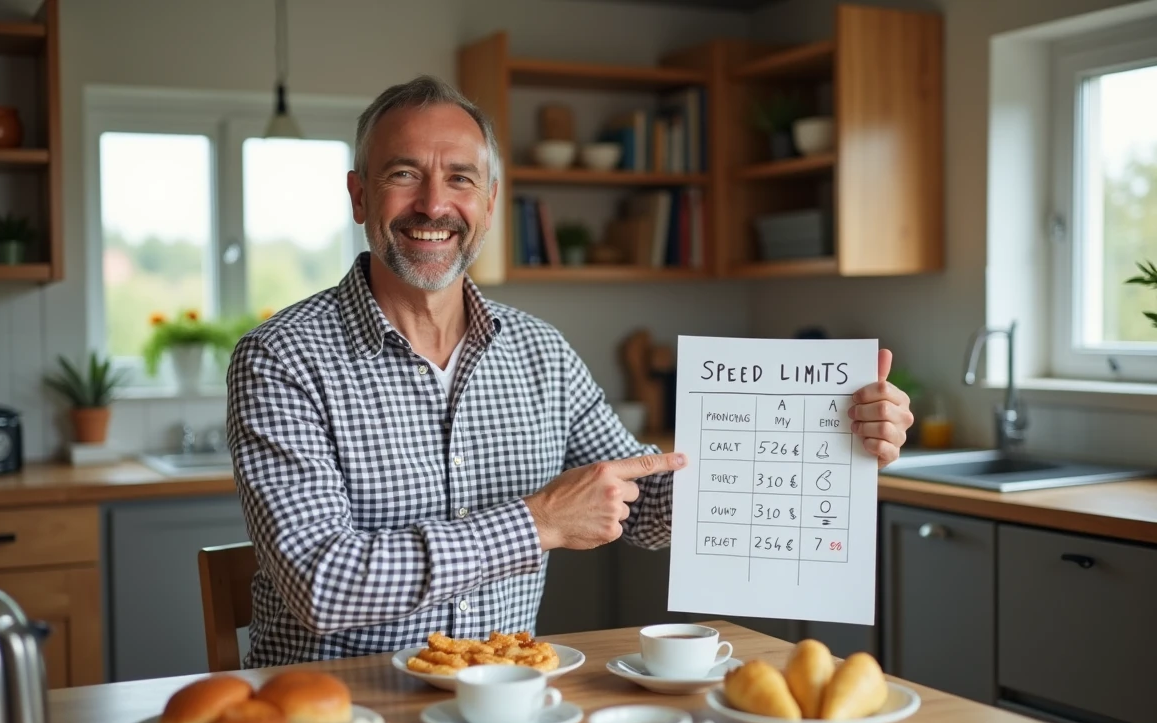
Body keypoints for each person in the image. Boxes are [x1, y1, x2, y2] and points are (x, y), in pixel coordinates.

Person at [226, 76, 914, 668]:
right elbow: (323, 585)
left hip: (506, 710)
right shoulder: (281, 359)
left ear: (489, 202)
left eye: (460, 178)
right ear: (358, 196)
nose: (434, 205)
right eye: (403, 174)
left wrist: (828, 443)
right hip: (336, 718)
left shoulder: (539, 353)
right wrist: (537, 523)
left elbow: (646, 506)